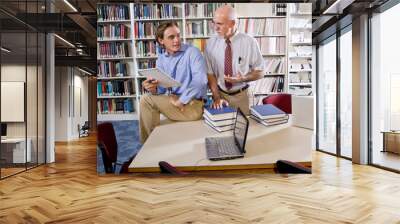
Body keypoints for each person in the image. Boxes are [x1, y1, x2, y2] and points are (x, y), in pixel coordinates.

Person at [139, 22, 208, 144]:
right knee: (148, 97)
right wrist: (153, 88)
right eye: (171, 37)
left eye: (178, 35)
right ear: (161, 40)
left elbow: (201, 81)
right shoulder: (161, 59)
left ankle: (147, 145)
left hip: (193, 106)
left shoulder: (193, 52)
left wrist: (181, 100)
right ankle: (152, 143)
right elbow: (162, 90)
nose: (176, 40)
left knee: (146, 100)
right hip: (174, 102)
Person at [204, 5, 264, 115]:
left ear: (232, 23)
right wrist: (216, 97)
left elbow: (260, 72)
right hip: (221, 96)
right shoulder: (210, 43)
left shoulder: (249, 42)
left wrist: (243, 78)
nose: (215, 28)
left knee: (246, 129)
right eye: (214, 23)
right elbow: (210, 74)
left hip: (243, 96)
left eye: (220, 24)